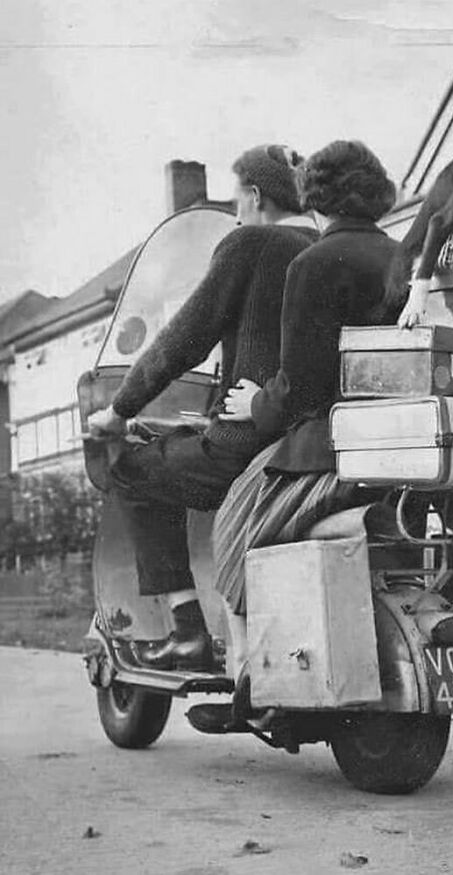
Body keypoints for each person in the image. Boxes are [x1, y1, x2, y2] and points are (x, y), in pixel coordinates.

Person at [87, 144, 319, 671]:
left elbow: (185, 339)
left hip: (247, 443)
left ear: (256, 196)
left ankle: (187, 629)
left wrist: (120, 410)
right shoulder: (325, 248)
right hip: (313, 441)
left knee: (133, 473)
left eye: (237, 200)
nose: (236, 212)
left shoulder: (250, 243)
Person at [210, 140, 400, 693]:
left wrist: (256, 404)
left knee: (232, 523)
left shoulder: (312, 263)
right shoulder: (402, 256)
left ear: (315, 194)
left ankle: (247, 670)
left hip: (328, 445)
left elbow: (300, 387)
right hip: (394, 436)